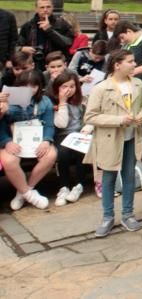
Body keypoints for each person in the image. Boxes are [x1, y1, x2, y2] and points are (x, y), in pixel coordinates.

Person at [85, 49, 142, 237]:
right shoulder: (101, 88)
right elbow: (90, 116)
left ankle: (128, 214)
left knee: (129, 175)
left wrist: (141, 116)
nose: (134, 64)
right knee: (109, 177)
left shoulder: (138, 84)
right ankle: (107, 216)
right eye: (130, 61)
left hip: (131, 138)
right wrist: (118, 120)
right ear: (117, 65)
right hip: (110, 140)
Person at [0, 69, 57, 209]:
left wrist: (46, 141)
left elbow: (49, 125)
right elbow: (1, 125)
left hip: (35, 141)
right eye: (25, 86)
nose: (29, 89)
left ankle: (23, 192)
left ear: (39, 86)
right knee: (9, 161)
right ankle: (30, 195)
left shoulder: (45, 102)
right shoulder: (7, 100)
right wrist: (6, 142)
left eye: (33, 86)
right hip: (11, 141)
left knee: (50, 155)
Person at [50, 71, 88, 206]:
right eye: (64, 87)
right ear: (57, 88)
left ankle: (79, 185)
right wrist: (62, 103)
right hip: (62, 135)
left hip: (80, 133)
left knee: (80, 151)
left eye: (72, 86)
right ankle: (64, 186)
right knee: (63, 152)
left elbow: (88, 118)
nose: (68, 90)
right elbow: (61, 124)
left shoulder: (82, 101)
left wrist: (87, 128)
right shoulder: (53, 103)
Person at [17, 0, 73, 71]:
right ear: (36, 9)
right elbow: (17, 44)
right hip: (34, 63)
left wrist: (49, 30)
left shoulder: (62, 24)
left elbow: (67, 43)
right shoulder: (28, 26)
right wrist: (22, 48)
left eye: (48, 7)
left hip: (55, 64)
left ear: (52, 8)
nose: (45, 10)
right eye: (42, 7)